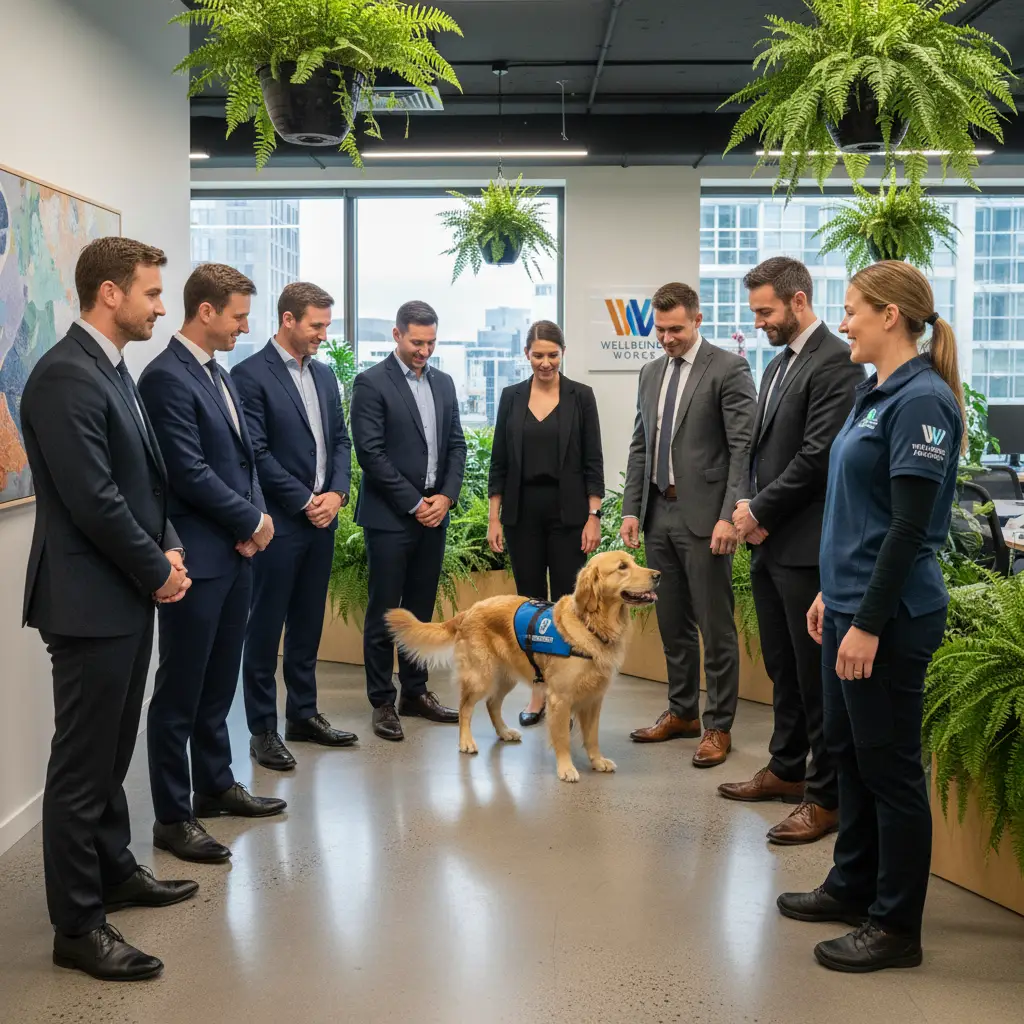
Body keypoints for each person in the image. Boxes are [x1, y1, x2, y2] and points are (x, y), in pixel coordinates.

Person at [778, 261, 965, 974]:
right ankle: (852, 885)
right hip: (850, 605)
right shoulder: (872, 393)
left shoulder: (922, 402)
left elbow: (909, 529)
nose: (844, 320)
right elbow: (859, 513)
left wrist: (869, 622)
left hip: (890, 617)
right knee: (850, 759)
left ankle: (895, 927)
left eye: (853, 308)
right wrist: (833, 591)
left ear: (891, 315)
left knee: (890, 772)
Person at [21, 237, 197, 981]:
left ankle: (115, 870)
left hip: (123, 593)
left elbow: (143, 481)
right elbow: (94, 500)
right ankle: (78, 926)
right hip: (90, 601)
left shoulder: (109, 369)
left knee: (112, 752)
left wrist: (169, 546)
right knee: (82, 768)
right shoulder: (64, 376)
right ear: (110, 294)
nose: (162, 305)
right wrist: (157, 567)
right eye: (153, 293)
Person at [138, 264, 287, 864]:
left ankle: (217, 786)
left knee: (218, 683)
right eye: (238, 317)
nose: (244, 328)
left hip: (233, 557)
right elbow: (186, 471)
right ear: (205, 311)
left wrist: (252, 523)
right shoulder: (165, 378)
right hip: (194, 559)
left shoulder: (216, 374)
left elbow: (242, 464)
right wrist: (250, 521)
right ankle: (173, 816)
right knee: (180, 690)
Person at [721, 258, 864, 845]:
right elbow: (760, 452)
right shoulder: (780, 363)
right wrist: (748, 508)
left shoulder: (834, 362)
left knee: (814, 680)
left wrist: (758, 511)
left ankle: (825, 797)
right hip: (770, 543)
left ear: (799, 301)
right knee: (783, 668)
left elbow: (816, 457)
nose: (758, 323)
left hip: (806, 547)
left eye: (766, 312)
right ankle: (785, 769)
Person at [621, 282, 756, 767]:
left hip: (707, 519)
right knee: (672, 621)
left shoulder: (728, 368)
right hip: (659, 513)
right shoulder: (650, 371)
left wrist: (730, 516)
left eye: (676, 328)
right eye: (660, 329)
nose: (667, 338)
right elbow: (641, 443)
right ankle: (683, 712)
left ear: (697, 320)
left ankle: (718, 725)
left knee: (715, 626)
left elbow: (744, 448)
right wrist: (632, 509)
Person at [231, 282, 358, 771]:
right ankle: (262, 730)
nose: (323, 335)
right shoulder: (248, 375)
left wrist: (336, 495)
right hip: (277, 524)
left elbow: (341, 442)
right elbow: (256, 455)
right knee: (265, 629)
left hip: (322, 521)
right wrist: (307, 500)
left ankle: (302, 715)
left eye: (326, 325)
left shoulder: (326, 377)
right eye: (316, 326)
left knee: (307, 623)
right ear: (288, 320)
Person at [351, 300, 466, 741]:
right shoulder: (371, 383)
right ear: (397, 335)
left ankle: (414, 693)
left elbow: (456, 445)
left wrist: (446, 498)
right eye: (417, 342)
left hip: (434, 517)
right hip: (390, 518)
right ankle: (382, 700)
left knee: (420, 612)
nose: (425, 350)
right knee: (386, 611)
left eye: (431, 342)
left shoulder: (445, 382)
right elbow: (371, 455)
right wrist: (415, 503)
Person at [487, 320, 605, 726]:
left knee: (569, 609)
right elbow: (498, 462)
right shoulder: (511, 397)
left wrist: (594, 517)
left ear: (563, 353)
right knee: (532, 608)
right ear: (527, 355)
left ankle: (568, 693)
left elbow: (593, 461)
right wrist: (494, 519)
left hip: (570, 516)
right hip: (522, 516)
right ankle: (538, 694)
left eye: (552, 355)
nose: (545, 362)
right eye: (538, 355)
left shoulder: (581, 397)